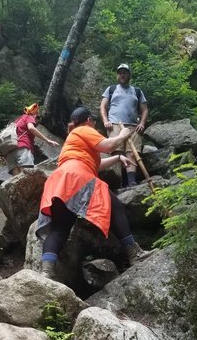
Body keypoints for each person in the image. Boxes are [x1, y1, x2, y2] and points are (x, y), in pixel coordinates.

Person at [36, 106, 154, 280]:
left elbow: (94, 164)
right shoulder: (84, 129)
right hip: (77, 177)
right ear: (89, 120)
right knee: (115, 206)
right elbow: (108, 145)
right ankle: (134, 253)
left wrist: (118, 158)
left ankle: (46, 272)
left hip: (60, 181)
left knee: (59, 228)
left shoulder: (73, 139)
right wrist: (123, 135)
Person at [100, 63, 148, 188]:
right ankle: (119, 181)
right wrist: (106, 120)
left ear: (129, 75)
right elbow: (103, 106)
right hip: (115, 124)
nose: (122, 75)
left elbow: (145, 109)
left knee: (132, 152)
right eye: (120, 73)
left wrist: (142, 123)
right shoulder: (111, 89)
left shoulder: (137, 91)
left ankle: (131, 182)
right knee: (116, 151)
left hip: (133, 125)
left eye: (125, 72)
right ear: (117, 75)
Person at [6, 103, 60, 176]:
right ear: (35, 114)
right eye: (38, 117)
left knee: (16, 180)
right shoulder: (29, 116)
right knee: (25, 176)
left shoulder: (18, 120)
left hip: (9, 150)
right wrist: (47, 140)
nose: (37, 121)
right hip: (22, 147)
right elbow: (31, 128)